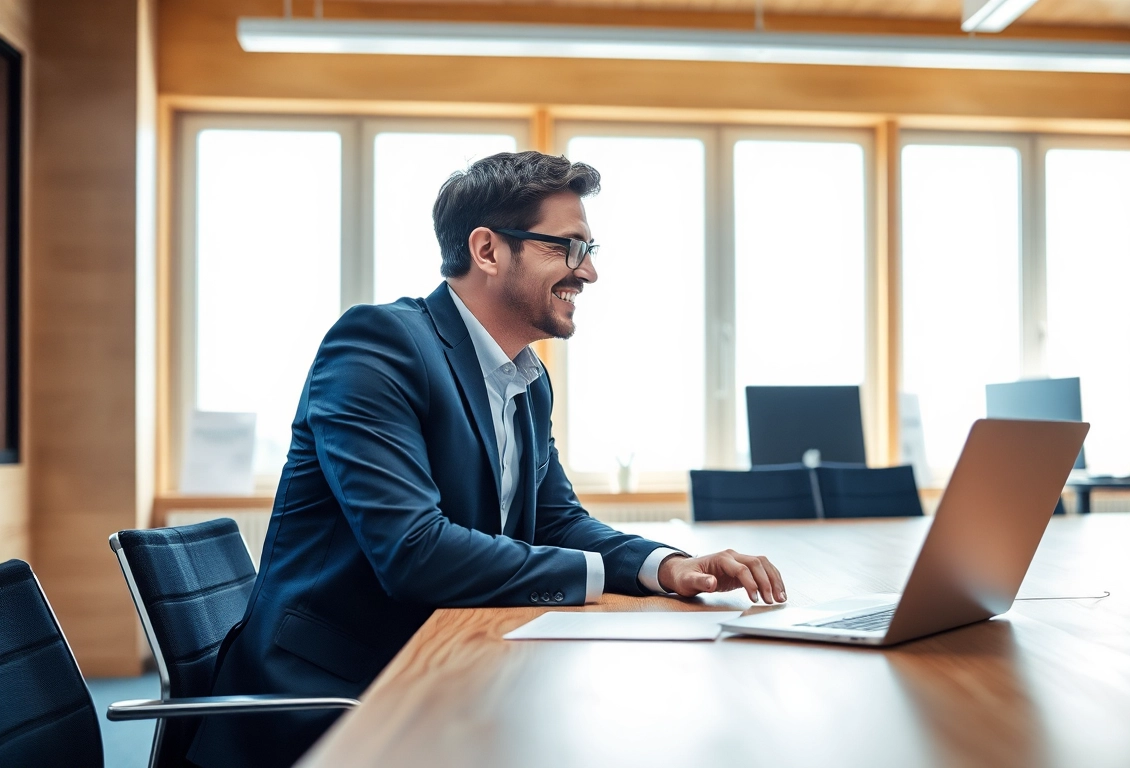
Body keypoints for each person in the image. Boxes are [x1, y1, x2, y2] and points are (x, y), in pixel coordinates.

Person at [187, 151, 786, 768]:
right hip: (331, 700)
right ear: (489, 250)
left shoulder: (527, 381)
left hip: (440, 672)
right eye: (569, 248)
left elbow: (557, 521)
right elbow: (414, 553)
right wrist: (599, 576)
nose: (589, 273)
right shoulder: (379, 344)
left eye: (590, 250)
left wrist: (668, 568)